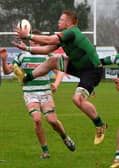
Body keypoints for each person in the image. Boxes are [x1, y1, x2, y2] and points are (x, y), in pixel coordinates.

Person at [13, 10, 107, 145]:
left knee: (77, 99)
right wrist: (27, 49)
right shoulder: (65, 36)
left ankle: (100, 124)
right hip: (79, 67)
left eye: (61, 20)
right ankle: (27, 78)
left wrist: (28, 36)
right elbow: (46, 49)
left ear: (68, 22)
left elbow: (50, 39)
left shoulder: (72, 32)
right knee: (53, 61)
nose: (58, 21)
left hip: (92, 70)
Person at [0, 29, 75, 159]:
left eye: (36, 40)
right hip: (30, 93)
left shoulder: (47, 55)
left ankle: (65, 137)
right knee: (37, 119)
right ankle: (45, 151)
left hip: (45, 92)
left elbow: (60, 71)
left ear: (39, 42)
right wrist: (4, 60)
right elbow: (7, 71)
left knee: (52, 121)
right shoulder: (22, 56)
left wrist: (56, 84)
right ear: (30, 41)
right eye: (32, 40)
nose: (34, 41)